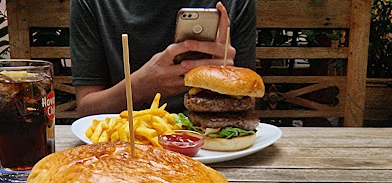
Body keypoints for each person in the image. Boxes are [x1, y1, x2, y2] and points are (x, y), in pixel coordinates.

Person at [69, 0, 257, 116]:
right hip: (124, 148)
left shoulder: (234, 2)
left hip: (208, 144)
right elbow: (87, 108)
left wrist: (224, 80)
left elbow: (248, 100)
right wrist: (141, 87)